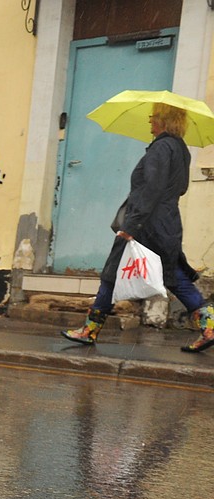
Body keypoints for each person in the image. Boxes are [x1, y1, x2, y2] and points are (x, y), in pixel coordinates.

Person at [63, 102, 213, 352]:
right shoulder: (181, 149)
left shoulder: (160, 149)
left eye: (153, 117)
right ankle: (210, 325)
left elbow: (150, 190)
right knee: (173, 274)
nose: (150, 122)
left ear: (163, 121)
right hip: (167, 221)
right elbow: (181, 188)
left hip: (146, 223)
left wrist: (132, 225)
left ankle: (90, 330)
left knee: (112, 274)